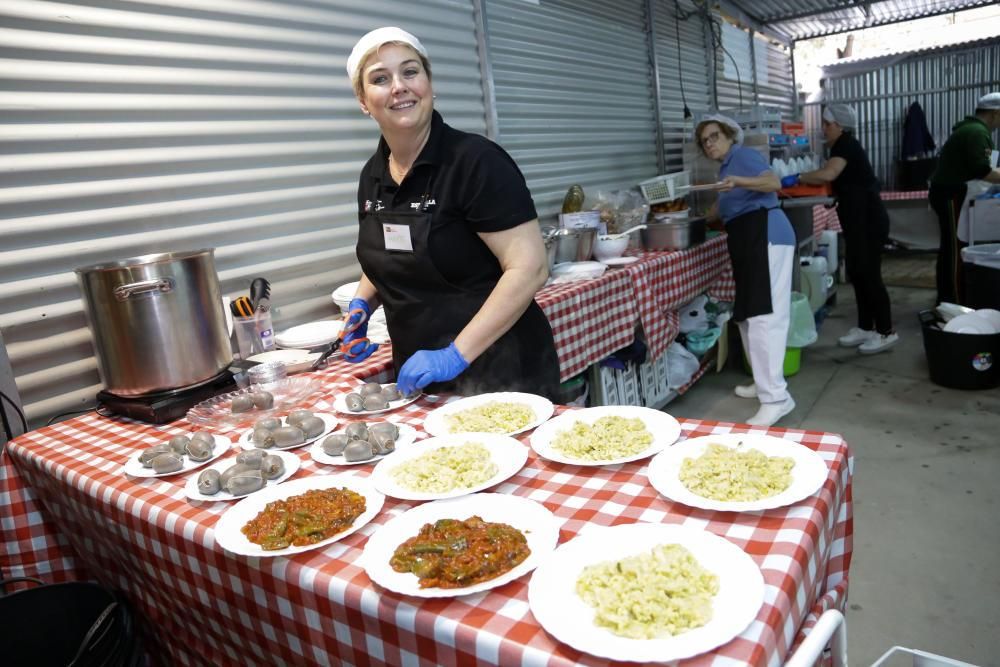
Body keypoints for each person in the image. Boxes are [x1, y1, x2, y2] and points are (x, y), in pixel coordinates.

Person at [341, 27, 560, 399]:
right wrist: (361, 302)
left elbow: (530, 267)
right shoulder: (372, 176)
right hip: (420, 379)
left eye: (410, 72)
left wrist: (455, 354)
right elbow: (393, 248)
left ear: (430, 84)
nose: (399, 86)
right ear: (363, 101)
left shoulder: (475, 162)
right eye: (380, 78)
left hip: (501, 373)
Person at [697, 114, 796, 426]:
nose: (709, 143)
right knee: (748, 317)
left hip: (765, 234)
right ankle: (765, 382)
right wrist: (698, 216)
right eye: (704, 141)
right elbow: (720, 209)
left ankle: (776, 398)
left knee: (765, 317)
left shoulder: (743, 157)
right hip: (747, 239)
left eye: (714, 136)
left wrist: (738, 181)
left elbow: (773, 182)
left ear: (730, 135)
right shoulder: (727, 169)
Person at [787, 103, 899, 354]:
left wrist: (798, 177)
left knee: (870, 276)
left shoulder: (846, 144)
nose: (824, 129)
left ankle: (886, 331)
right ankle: (865, 327)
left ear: (840, 125)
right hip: (857, 222)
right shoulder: (841, 145)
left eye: (827, 124)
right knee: (858, 273)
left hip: (869, 222)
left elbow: (829, 174)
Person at [927, 92, 1000, 306]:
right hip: (951, 194)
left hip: (954, 193)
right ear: (995, 113)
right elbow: (984, 171)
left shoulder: (979, 131)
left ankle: (950, 295)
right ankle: (951, 300)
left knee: (952, 246)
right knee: (954, 248)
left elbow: (991, 165)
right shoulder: (976, 132)